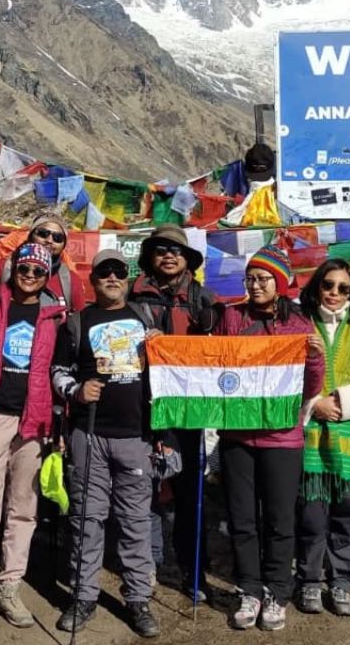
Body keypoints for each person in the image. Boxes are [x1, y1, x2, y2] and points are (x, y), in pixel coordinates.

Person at [52, 249, 164, 638]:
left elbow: (170, 373)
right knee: (87, 519)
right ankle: (83, 597)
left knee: (135, 522)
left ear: (127, 278)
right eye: (104, 272)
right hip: (90, 435)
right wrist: (76, 391)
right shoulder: (77, 322)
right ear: (93, 280)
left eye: (119, 271)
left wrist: (161, 345)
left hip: (136, 436)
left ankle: (138, 599)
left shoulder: (146, 318)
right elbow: (58, 371)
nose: (112, 278)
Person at [0, 243, 69, 628]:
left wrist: (60, 425)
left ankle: (9, 585)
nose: (30, 276)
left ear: (47, 276)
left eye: (38, 271)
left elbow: (62, 371)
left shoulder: (55, 318)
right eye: (24, 268)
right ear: (14, 269)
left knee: (23, 509)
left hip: (34, 422)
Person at [217, 244, 325, 632]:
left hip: (282, 436)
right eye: (250, 278)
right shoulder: (232, 317)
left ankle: (277, 591)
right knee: (242, 519)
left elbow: (311, 387)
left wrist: (314, 358)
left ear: (280, 282)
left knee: (280, 520)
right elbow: (217, 365)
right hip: (238, 435)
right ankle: (249, 589)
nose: (256, 285)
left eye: (264, 278)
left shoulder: (299, 324)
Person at [126, 225, 217, 600]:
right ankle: (143, 565)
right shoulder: (131, 296)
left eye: (176, 250)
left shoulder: (203, 299)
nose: (168, 255)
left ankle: (194, 571)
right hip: (140, 406)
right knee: (141, 490)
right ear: (149, 256)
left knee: (189, 494)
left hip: (187, 410)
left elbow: (220, 348)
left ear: (187, 259)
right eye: (161, 249)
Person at [293, 259, 350, 618]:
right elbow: (288, 373)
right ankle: (309, 579)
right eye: (328, 285)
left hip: (349, 433)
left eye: (343, 288)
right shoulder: (300, 324)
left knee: (348, 512)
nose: (334, 293)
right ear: (317, 286)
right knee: (311, 514)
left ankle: (341, 581)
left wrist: (341, 403)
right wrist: (314, 404)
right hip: (310, 433)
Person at [0, 212, 87, 311]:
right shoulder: (2, 269)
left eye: (58, 238)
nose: (49, 240)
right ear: (30, 236)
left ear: (63, 245)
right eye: (43, 233)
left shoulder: (69, 280)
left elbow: (79, 320)